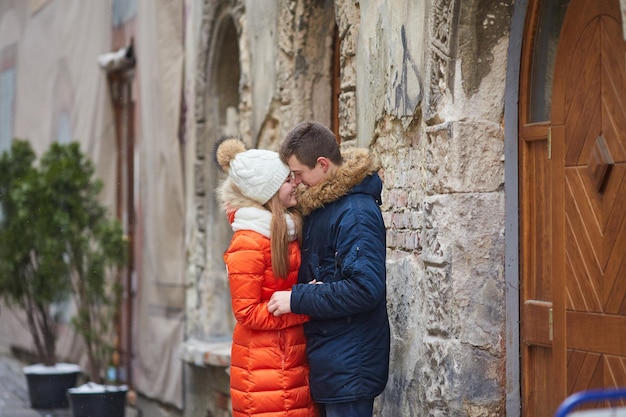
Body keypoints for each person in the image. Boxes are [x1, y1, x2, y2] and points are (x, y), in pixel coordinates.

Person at [267, 121, 390, 417]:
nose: (295, 182)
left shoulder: (355, 213)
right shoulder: (327, 206)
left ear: (322, 164)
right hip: (334, 362)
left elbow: (365, 290)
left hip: (350, 366)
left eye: (298, 174)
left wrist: (297, 298)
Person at [214, 136, 318, 417]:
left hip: (290, 361)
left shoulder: (287, 230)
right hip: (262, 369)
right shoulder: (249, 242)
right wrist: (304, 307)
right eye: (286, 180)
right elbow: (246, 312)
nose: (295, 182)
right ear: (268, 192)